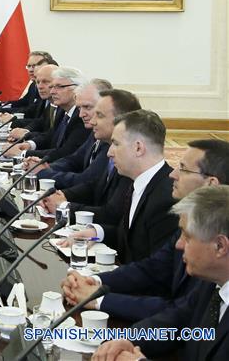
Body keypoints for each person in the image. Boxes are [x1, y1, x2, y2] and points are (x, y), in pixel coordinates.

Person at [62, 139, 229, 323]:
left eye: (183, 168)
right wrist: (93, 281)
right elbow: (153, 268)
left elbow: (181, 312)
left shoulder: (212, 238)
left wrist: (98, 299)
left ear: (211, 183)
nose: (172, 174)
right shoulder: (190, 218)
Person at [93, 185, 229, 361]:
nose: (178, 245)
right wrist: (128, 339)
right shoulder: (212, 284)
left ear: (220, 246)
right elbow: (176, 323)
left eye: (187, 236)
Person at [64, 110, 177, 263]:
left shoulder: (168, 196)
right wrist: (97, 232)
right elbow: (129, 238)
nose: (109, 153)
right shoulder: (137, 181)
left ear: (138, 148)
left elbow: (157, 267)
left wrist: (100, 281)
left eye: (115, 144)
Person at [42, 89, 142, 212]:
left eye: (99, 115)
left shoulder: (130, 159)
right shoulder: (102, 139)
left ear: (121, 120)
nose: (93, 121)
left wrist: (64, 206)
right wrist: (62, 195)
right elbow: (94, 185)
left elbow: (112, 214)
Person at [6, 67, 90, 162]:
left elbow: (66, 152)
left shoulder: (81, 117)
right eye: (53, 86)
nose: (52, 91)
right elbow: (51, 136)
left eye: (59, 86)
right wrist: (30, 144)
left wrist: (23, 153)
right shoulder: (62, 110)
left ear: (77, 89)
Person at [0, 50, 57, 118]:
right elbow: (23, 102)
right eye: (28, 66)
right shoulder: (33, 85)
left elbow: (30, 111)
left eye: (34, 66)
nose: (30, 70)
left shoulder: (51, 88)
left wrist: (0, 110)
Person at [7, 63, 59, 140]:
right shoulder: (51, 104)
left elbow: (53, 137)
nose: (40, 87)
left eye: (45, 82)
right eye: (37, 82)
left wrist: (26, 135)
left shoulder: (63, 107)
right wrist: (24, 131)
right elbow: (40, 122)